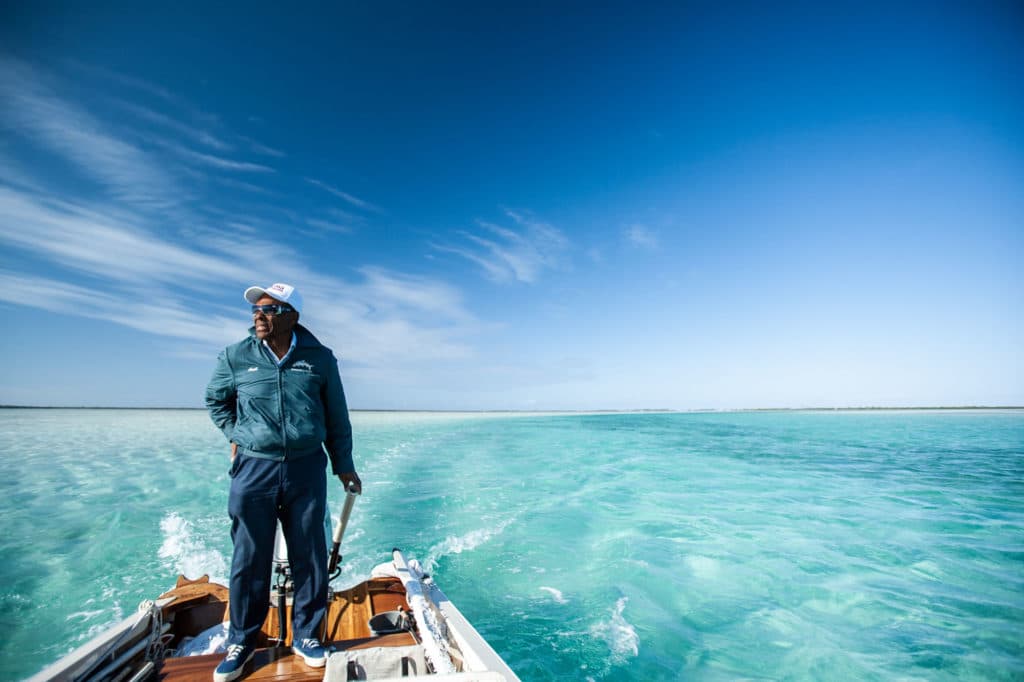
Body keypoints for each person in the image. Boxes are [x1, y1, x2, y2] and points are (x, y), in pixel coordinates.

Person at [205, 282, 361, 682]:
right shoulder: (235, 356)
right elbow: (215, 401)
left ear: (292, 316)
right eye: (256, 309)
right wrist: (237, 434)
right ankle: (241, 640)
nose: (259, 315)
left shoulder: (320, 359)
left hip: (306, 468)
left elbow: (336, 416)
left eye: (270, 309)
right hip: (253, 469)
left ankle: (307, 636)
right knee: (248, 558)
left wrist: (343, 465)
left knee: (310, 556)